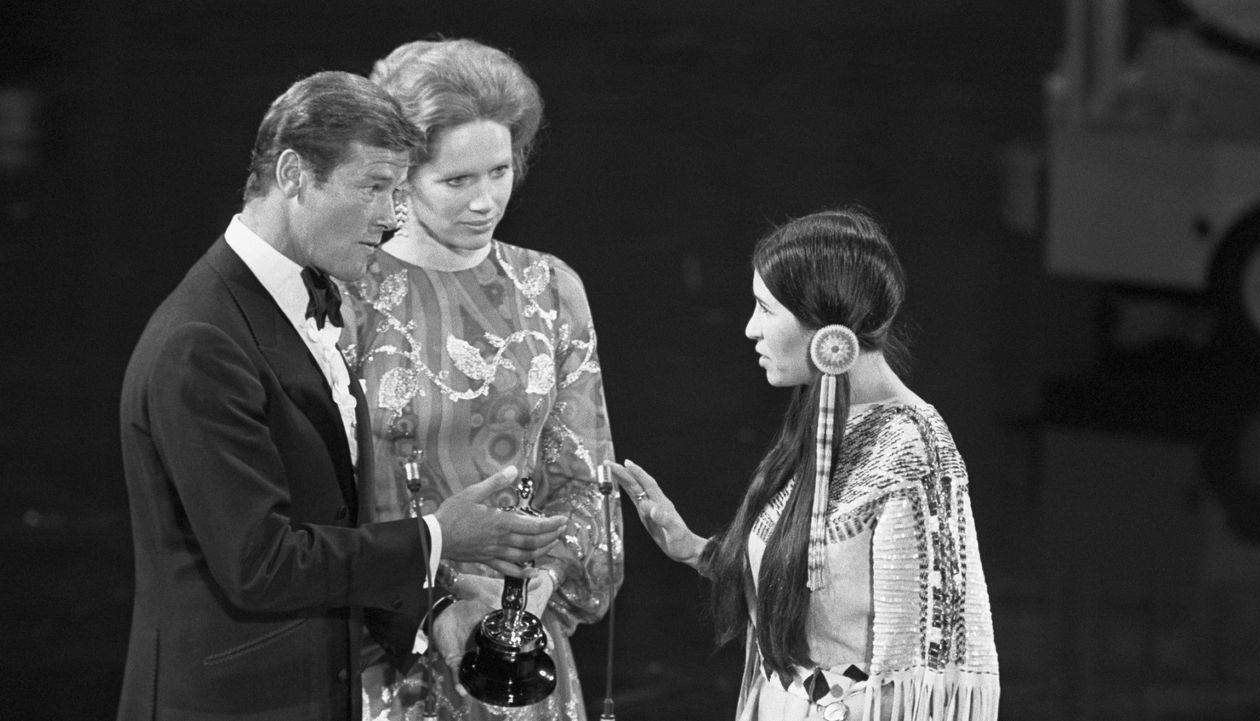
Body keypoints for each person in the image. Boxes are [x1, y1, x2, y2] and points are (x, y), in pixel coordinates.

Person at [117, 71, 568, 721]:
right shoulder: (201, 340)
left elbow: (328, 522)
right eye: (375, 187)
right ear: (295, 175)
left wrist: (435, 611)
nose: (392, 215)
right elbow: (262, 561)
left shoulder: (299, 305)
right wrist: (439, 536)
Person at [608, 207, 1000, 721]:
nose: (751, 329)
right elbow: (804, 588)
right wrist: (694, 549)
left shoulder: (914, 449)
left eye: (765, 309)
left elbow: (928, 662)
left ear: (826, 327)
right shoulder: (823, 419)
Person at [341, 39, 621, 721]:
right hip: (389, 652)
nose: (485, 200)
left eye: (499, 171)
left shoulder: (549, 287)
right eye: (457, 180)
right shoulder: (349, 295)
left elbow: (587, 478)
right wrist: (439, 601)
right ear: (401, 176)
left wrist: (529, 596)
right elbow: (328, 501)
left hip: (521, 655)